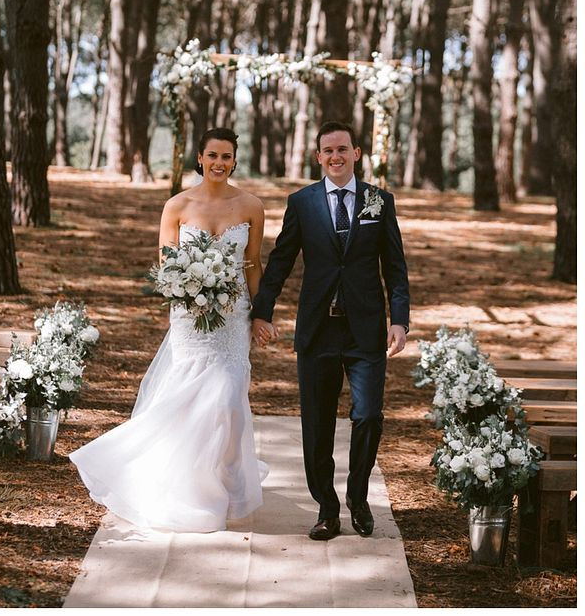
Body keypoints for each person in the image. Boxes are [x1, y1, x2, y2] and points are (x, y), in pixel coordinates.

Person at [69, 127, 269, 532]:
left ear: (235, 160)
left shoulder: (251, 207)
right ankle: (186, 488)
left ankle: (223, 481)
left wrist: (261, 314)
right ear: (199, 158)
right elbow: (167, 267)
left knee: (229, 402)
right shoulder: (176, 206)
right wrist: (189, 291)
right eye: (212, 155)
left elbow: (253, 265)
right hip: (189, 317)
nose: (219, 163)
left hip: (233, 319)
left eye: (226, 156)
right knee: (185, 400)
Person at [250, 120, 410, 542]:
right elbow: (281, 260)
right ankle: (326, 507)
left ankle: (358, 498)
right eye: (328, 151)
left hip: (365, 331)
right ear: (318, 157)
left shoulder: (380, 201)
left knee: (368, 415)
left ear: (357, 153)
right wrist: (262, 312)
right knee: (317, 423)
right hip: (318, 330)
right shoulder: (302, 202)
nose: (335, 157)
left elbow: (395, 267)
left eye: (343, 149)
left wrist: (399, 319)